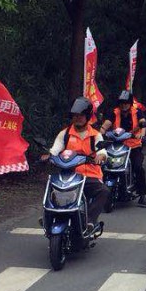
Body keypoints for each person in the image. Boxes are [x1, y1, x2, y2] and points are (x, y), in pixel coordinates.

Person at [45, 97, 109, 235]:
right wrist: (48, 156)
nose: (78, 118)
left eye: (81, 115)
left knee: (103, 191)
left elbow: (103, 151)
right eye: (75, 116)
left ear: (87, 116)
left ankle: (90, 221)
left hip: (90, 176)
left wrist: (101, 156)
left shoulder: (95, 135)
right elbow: (55, 149)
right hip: (69, 175)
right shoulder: (65, 134)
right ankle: (48, 217)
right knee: (51, 188)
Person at [100, 90, 146, 207]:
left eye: (126, 102)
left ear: (130, 103)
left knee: (137, 166)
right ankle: (99, 193)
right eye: (122, 103)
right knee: (103, 164)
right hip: (116, 145)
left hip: (133, 146)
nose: (124, 105)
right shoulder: (114, 112)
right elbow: (106, 125)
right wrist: (100, 133)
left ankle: (142, 195)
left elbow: (143, 123)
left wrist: (142, 134)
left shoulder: (137, 112)